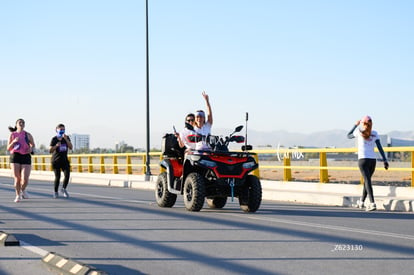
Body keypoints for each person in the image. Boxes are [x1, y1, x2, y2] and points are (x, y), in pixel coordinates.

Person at [347, 115, 389, 211]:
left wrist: (355, 125)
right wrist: (385, 160)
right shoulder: (375, 133)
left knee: (367, 181)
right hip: (372, 161)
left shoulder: (359, 132)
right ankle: (361, 202)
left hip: (363, 160)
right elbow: (379, 147)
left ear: (362, 123)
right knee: (367, 181)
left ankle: (372, 203)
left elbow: (348, 135)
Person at [7, 119, 35, 203]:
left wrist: (31, 148)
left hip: (26, 156)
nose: (21, 124)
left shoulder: (28, 134)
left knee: (25, 179)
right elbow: (8, 148)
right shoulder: (12, 134)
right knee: (17, 178)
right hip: (15, 156)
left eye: (23, 123)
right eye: (20, 123)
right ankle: (17, 195)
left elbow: (33, 145)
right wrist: (14, 142)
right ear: (16, 125)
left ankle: (22, 190)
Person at [49, 123, 73, 198]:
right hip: (56, 160)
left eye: (63, 129)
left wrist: (66, 139)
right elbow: (50, 150)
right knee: (58, 176)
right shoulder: (54, 139)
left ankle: (64, 188)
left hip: (64, 160)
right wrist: (56, 146)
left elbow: (71, 147)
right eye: (60, 129)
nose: (62, 131)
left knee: (67, 175)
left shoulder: (66, 138)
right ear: (56, 130)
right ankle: (55, 192)